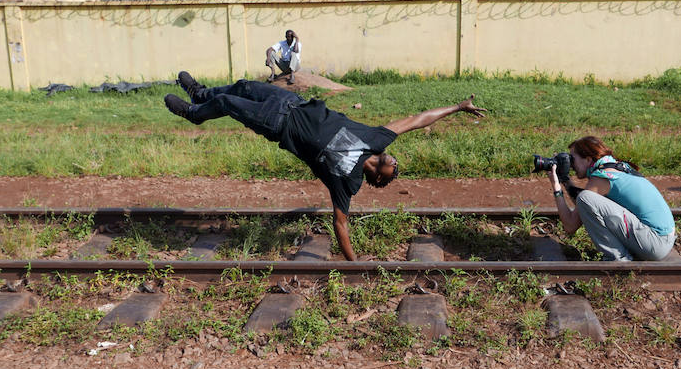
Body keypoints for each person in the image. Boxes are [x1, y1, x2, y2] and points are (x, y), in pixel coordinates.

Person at [164, 72, 485, 261]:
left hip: (277, 123)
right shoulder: (376, 140)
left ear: (378, 178)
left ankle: (195, 112)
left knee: (226, 104)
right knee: (241, 87)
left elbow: (341, 225)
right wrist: (457, 107)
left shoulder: (347, 180)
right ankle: (199, 93)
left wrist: (355, 264)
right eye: (395, 164)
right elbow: (417, 120)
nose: (395, 162)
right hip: (292, 103)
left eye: (394, 171)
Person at [547, 136, 675, 261]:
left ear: (587, 159)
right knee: (585, 198)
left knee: (584, 197)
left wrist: (556, 185)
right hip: (662, 240)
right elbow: (586, 209)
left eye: (572, 159)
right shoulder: (616, 167)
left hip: (655, 243)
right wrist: (565, 179)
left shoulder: (601, 178)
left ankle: (617, 260)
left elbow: (570, 225)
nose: (570, 165)